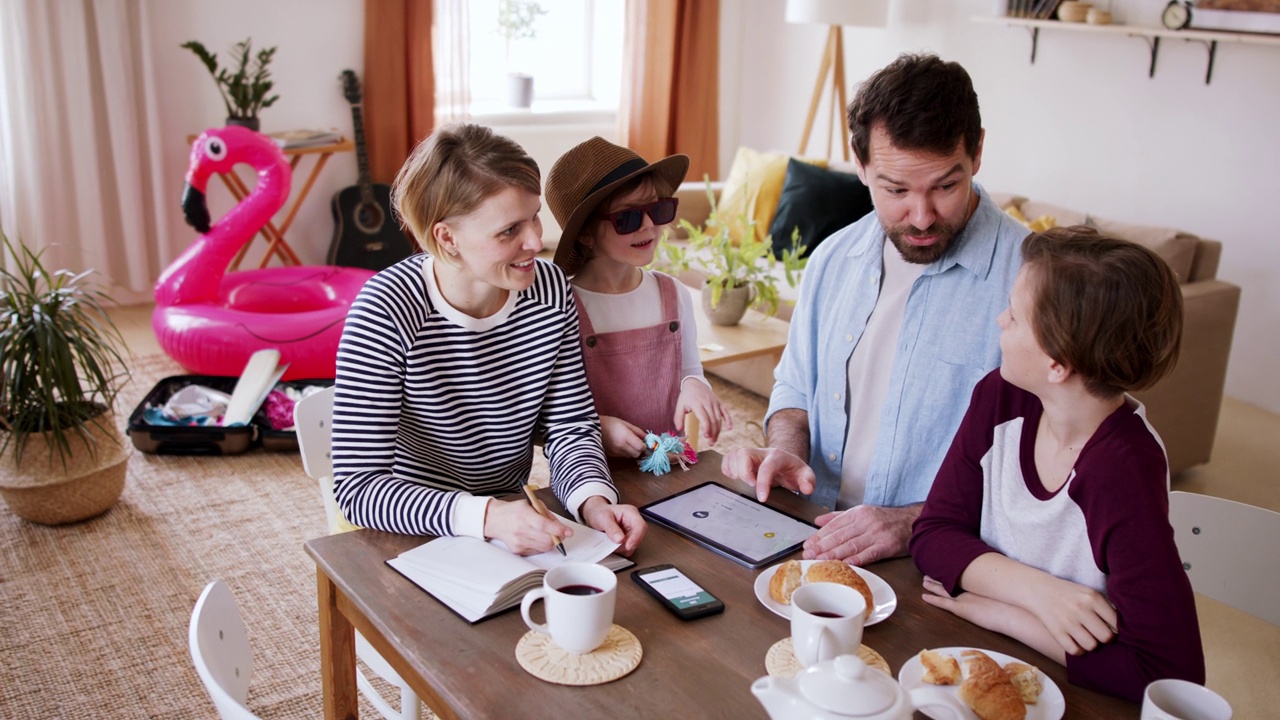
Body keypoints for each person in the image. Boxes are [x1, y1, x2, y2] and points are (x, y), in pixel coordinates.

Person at [721, 53, 1028, 564]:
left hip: (938, 564)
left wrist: (912, 521)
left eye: (945, 186)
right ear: (860, 165)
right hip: (809, 539)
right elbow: (796, 387)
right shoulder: (832, 259)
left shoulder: (1030, 282)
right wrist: (788, 451)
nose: (923, 216)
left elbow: (1042, 473)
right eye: (896, 190)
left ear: (977, 152)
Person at [909, 226, 1202, 701]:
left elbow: (1169, 676)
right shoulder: (999, 397)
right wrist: (1040, 594)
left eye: (1017, 317)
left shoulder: (1124, 470)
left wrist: (1001, 612)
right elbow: (935, 533)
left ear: (1057, 364)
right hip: (982, 660)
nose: (1001, 318)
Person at [330, 123, 646, 556]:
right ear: (447, 238)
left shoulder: (550, 291)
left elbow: (570, 426)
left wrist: (593, 501)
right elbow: (359, 488)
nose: (536, 240)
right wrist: (485, 517)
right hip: (412, 528)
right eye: (509, 230)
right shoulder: (387, 307)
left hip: (514, 518)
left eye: (535, 216)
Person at [545, 137, 731, 461]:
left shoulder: (673, 294)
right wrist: (599, 428)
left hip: (670, 464)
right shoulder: (564, 307)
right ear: (586, 233)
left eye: (658, 210)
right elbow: (550, 411)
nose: (648, 226)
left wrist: (695, 385)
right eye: (628, 218)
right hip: (591, 475)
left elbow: (689, 369)